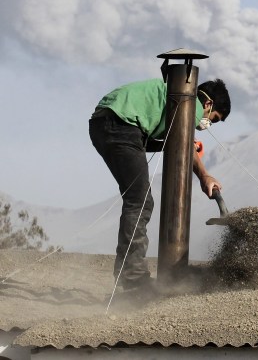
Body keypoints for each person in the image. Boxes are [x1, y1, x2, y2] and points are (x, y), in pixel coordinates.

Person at [89, 78, 231, 291]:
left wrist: (183, 146)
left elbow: (159, 140)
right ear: (208, 104)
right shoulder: (189, 102)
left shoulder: (170, 93)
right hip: (121, 125)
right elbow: (179, 142)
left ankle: (130, 276)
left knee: (138, 199)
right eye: (214, 119)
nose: (207, 125)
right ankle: (133, 280)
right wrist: (204, 175)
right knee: (140, 201)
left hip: (103, 122)